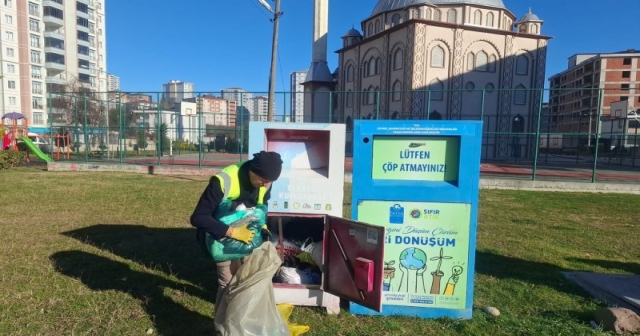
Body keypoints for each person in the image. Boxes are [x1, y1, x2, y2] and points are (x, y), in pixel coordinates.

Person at [190, 150, 283, 310]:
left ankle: (243, 322)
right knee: (228, 285)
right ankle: (223, 328)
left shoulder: (266, 182)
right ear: (252, 170)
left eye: (270, 181)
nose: (265, 185)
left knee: (248, 281)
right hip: (221, 240)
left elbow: (262, 206)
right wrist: (233, 232)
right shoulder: (224, 181)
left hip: (249, 238)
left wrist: (263, 226)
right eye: (263, 180)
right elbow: (198, 217)